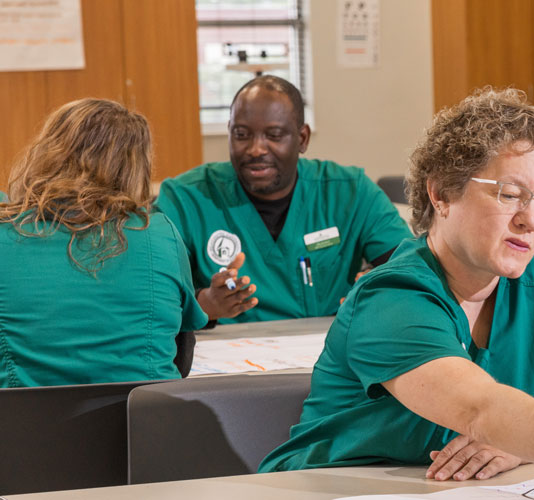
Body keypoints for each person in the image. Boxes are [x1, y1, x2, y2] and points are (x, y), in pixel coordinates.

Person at [259, 89, 534, 496]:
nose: (530, 220)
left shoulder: (532, 282)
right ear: (441, 194)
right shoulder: (393, 297)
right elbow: (482, 409)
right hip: (330, 489)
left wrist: (516, 449)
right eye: (509, 194)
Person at [154, 75, 412, 324]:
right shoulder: (186, 198)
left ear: (302, 139)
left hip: (329, 351)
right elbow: (147, 291)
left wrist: (378, 291)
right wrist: (204, 304)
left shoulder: (350, 193)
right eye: (242, 135)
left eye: (274, 135)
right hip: (223, 356)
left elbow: (412, 270)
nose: (256, 149)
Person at [0, 99, 208, 387]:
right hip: (144, 424)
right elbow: (181, 353)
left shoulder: (7, 231)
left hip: (24, 426)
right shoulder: (160, 234)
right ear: (137, 168)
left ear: (46, 151)